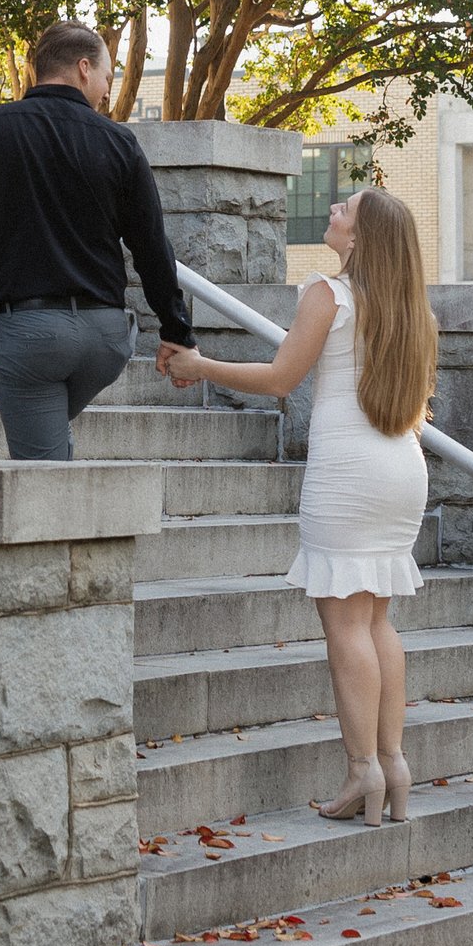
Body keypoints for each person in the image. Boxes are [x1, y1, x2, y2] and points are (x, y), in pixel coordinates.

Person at [161, 186, 436, 827]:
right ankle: (394, 765)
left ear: (361, 238)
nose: (334, 210)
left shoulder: (329, 293)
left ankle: (361, 770)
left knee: (345, 627)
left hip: (348, 472)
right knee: (377, 623)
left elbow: (282, 379)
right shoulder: (412, 311)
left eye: (346, 208)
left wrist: (202, 365)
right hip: (401, 469)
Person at [0, 20, 198, 461]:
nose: (108, 89)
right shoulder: (119, 143)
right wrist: (176, 329)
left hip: (29, 336)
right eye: (109, 76)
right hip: (106, 340)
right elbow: (151, 248)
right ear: (84, 68)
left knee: (41, 475)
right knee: (50, 439)